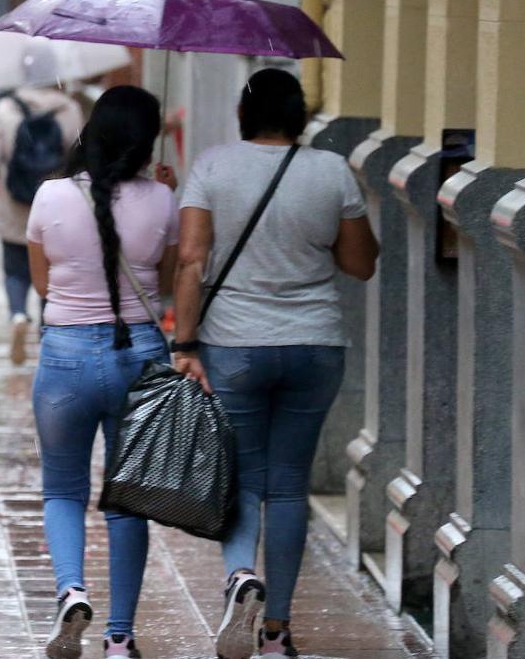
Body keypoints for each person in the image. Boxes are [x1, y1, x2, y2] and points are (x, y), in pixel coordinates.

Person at [170, 68, 379, 659]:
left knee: (241, 479)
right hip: (315, 345)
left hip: (234, 345)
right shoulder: (331, 170)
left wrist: (184, 344)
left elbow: (190, 260)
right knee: (289, 488)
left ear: (244, 111)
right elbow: (362, 263)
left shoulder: (212, 166)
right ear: (299, 114)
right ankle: (277, 630)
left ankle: (240, 575)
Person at [27, 85, 179, 659]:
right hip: (139, 354)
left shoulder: (49, 197)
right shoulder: (163, 200)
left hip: (64, 355)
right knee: (128, 499)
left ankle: (70, 591)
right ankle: (120, 636)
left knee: (62, 490)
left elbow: (44, 285)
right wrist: (162, 196)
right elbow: (163, 282)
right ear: (145, 142)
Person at [0, 50, 82, 365]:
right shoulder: (69, 109)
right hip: (57, 206)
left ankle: (18, 316)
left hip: (14, 204)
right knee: (54, 270)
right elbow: (80, 160)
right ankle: (49, 332)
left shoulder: (6, 109)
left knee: (16, 267)